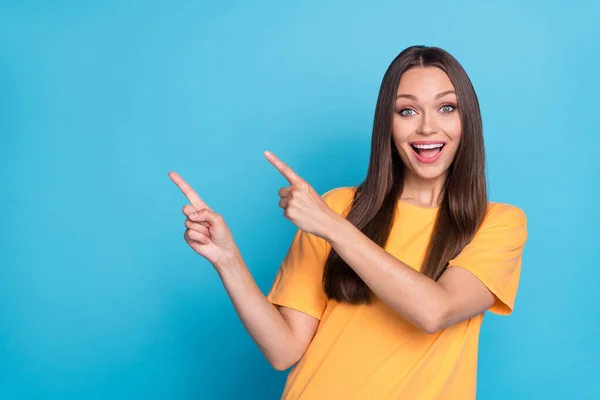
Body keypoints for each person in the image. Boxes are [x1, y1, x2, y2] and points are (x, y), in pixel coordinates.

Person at [169, 45, 528, 399]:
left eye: (446, 108)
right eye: (407, 111)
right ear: (387, 124)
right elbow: (284, 351)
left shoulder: (497, 224)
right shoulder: (338, 206)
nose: (427, 127)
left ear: (468, 120)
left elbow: (436, 311)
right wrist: (227, 260)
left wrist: (333, 227)